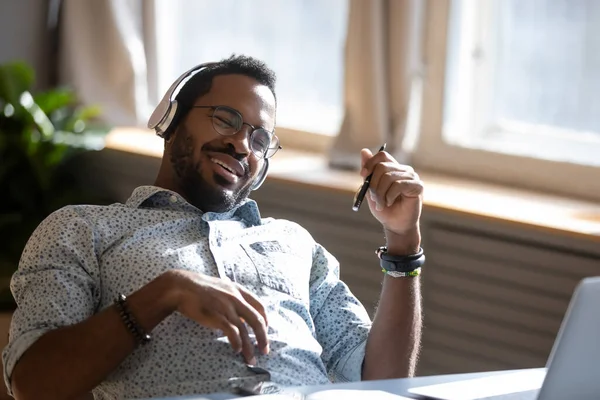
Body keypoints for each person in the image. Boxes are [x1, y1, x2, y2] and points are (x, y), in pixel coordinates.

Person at [2, 55, 425, 400]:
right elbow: (34, 383)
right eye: (226, 119)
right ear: (171, 123)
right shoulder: (84, 229)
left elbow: (382, 380)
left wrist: (403, 241)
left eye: (260, 140)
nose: (242, 144)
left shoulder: (294, 244)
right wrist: (165, 292)